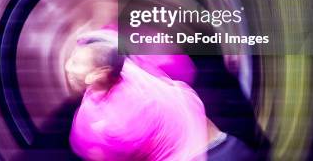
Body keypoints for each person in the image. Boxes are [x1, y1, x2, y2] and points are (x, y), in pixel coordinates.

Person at [65, 32, 209, 160]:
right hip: (188, 121)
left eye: (76, 63)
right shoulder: (120, 64)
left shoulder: (118, 121)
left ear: (97, 74)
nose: (67, 66)